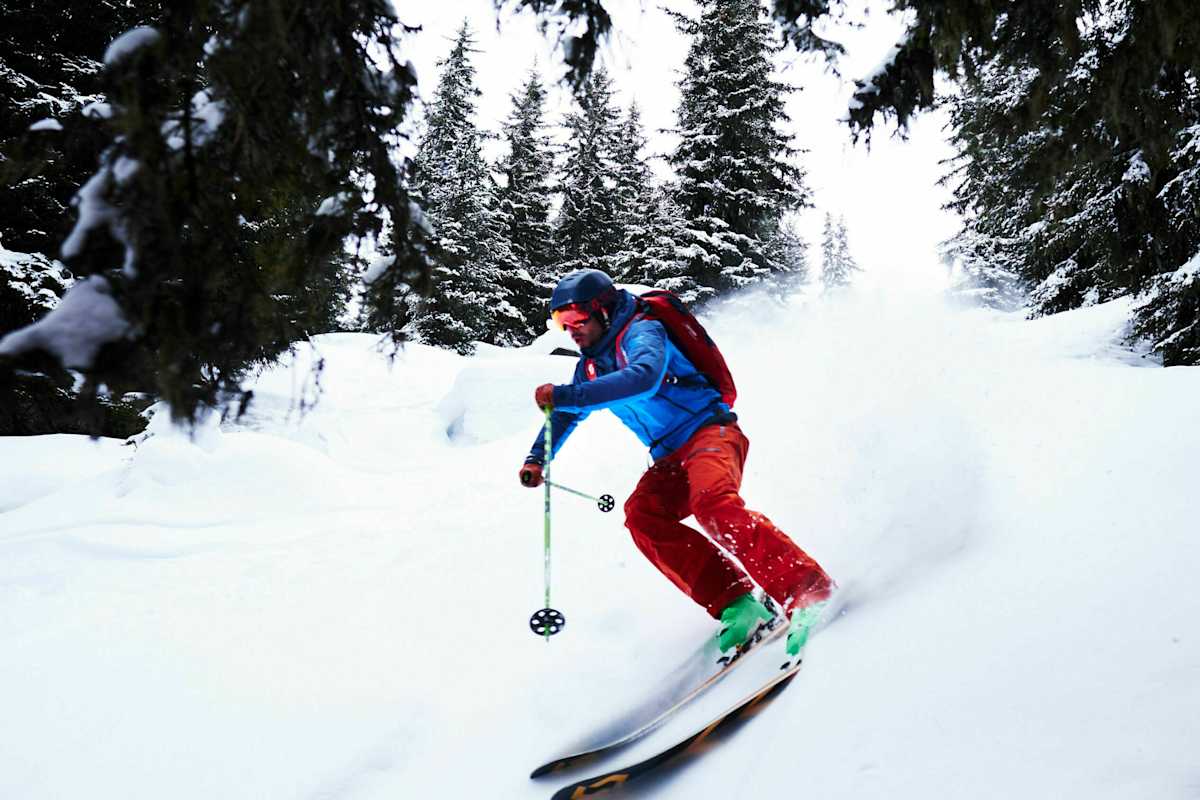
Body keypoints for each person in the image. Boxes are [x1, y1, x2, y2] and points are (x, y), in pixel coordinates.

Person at [518, 268, 833, 656]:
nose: (571, 331)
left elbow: (644, 377)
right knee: (643, 516)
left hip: (710, 432)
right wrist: (537, 457)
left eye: (577, 320)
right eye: (561, 323)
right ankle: (737, 602)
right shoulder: (590, 366)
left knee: (713, 505)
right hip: (669, 457)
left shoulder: (642, 331)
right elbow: (565, 415)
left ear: (602, 311)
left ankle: (806, 589)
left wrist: (569, 395)